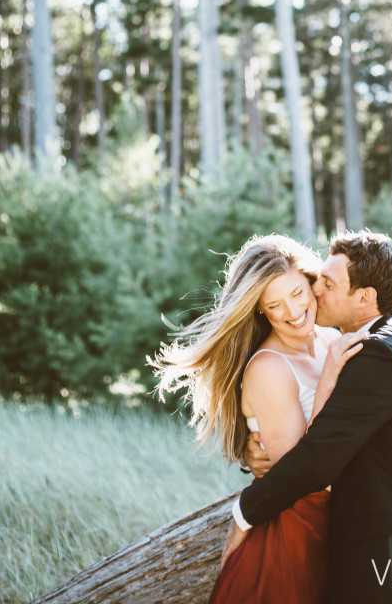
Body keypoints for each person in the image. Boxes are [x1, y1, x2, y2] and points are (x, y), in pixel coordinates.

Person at [223, 230, 392, 604]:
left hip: (384, 548)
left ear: (364, 298)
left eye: (323, 283)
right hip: (340, 535)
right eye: (275, 304)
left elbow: (315, 462)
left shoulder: (367, 351)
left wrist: (243, 514)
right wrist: (251, 447)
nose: (313, 294)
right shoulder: (385, 339)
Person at [148, 233, 365, 604]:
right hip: (295, 535)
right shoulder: (269, 368)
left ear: (312, 283)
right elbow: (300, 472)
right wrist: (329, 375)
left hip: (342, 522)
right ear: (260, 310)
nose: (293, 312)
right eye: (275, 305)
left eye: (298, 294)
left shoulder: (330, 339)